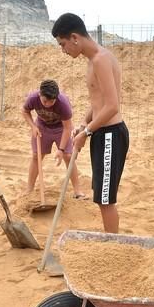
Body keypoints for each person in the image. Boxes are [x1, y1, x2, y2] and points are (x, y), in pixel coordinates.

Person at [51, 13, 129, 233]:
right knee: (102, 195)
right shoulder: (94, 60)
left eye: (63, 44)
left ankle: (112, 247)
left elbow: (113, 106)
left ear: (75, 38)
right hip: (102, 132)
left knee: (105, 198)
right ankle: (110, 242)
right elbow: (100, 102)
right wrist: (84, 123)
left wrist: (86, 132)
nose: (63, 50)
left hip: (110, 135)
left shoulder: (101, 60)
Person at [22, 79, 85, 199]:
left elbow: (67, 128)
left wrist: (61, 150)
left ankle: (77, 191)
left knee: (68, 156)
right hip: (41, 126)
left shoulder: (63, 103)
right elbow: (25, 111)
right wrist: (33, 126)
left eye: (52, 101)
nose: (48, 104)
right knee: (36, 156)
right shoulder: (33, 97)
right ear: (40, 94)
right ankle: (29, 189)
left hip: (61, 128)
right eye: (45, 101)